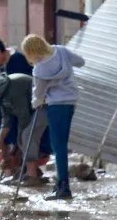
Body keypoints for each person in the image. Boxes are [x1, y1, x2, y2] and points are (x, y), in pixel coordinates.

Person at [22, 34, 85, 201]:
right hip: (71, 101)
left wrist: (36, 102)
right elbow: (81, 62)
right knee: (60, 144)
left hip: (55, 105)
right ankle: (60, 184)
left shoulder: (39, 70)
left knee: (58, 146)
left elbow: (38, 96)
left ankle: (63, 187)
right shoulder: (61, 51)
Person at [0, 73, 47, 186]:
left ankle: (32, 176)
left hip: (43, 104)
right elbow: (6, 119)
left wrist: (19, 138)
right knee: (21, 140)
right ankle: (28, 173)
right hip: (31, 108)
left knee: (26, 137)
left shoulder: (11, 89)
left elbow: (23, 116)